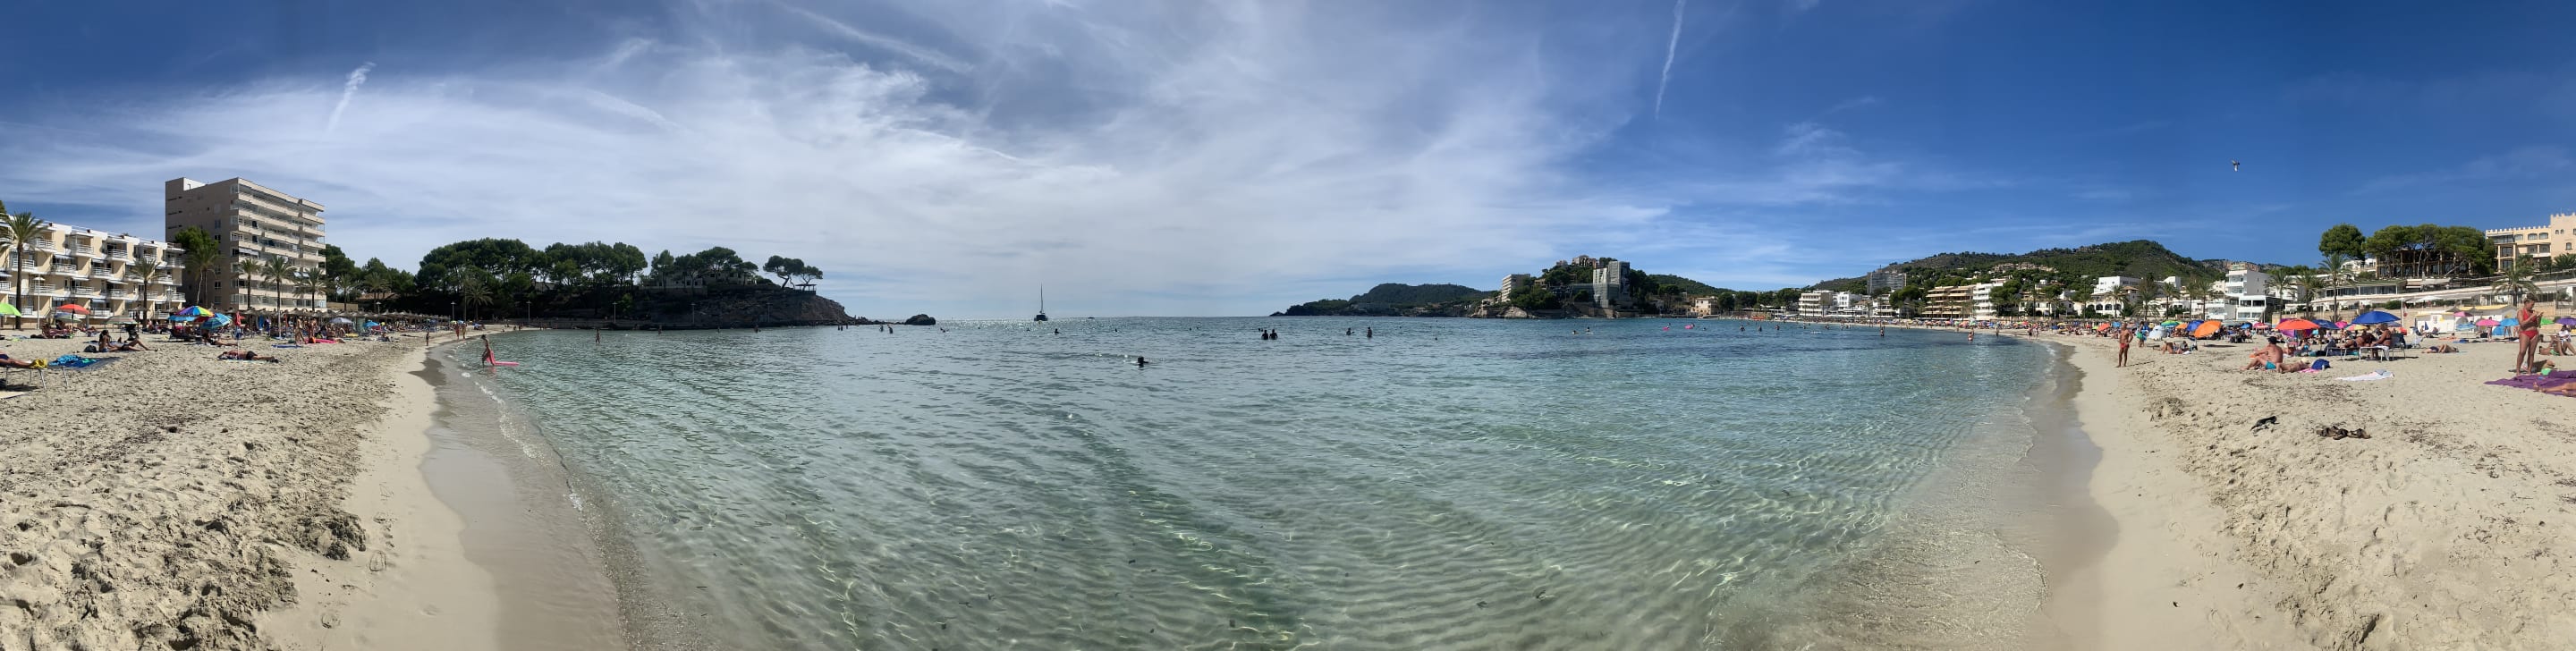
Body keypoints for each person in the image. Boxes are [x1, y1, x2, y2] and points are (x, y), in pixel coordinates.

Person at [2517, 298, 2546, 373]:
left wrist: (2539, 318)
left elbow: (2537, 325)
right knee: (2522, 352)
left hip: (2534, 333)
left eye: (2533, 305)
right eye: (2532, 305)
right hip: (2525, 333)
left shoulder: (2533, 312)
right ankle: (2518, 370)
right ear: (2526, 303)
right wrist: (2532, 316)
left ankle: (2529, 370)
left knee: (2531, 353)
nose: (2533, 306)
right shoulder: (2520, 312)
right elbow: (2522, 324)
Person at [218, 350, 282, 363]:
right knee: (259, 358)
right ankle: (270, 360)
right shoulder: (233, 351)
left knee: (259, 358)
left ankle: (271, 357)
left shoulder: (231, 352)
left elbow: (221, 356)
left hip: (247, 355)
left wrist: (224, 355)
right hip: (249, 352)